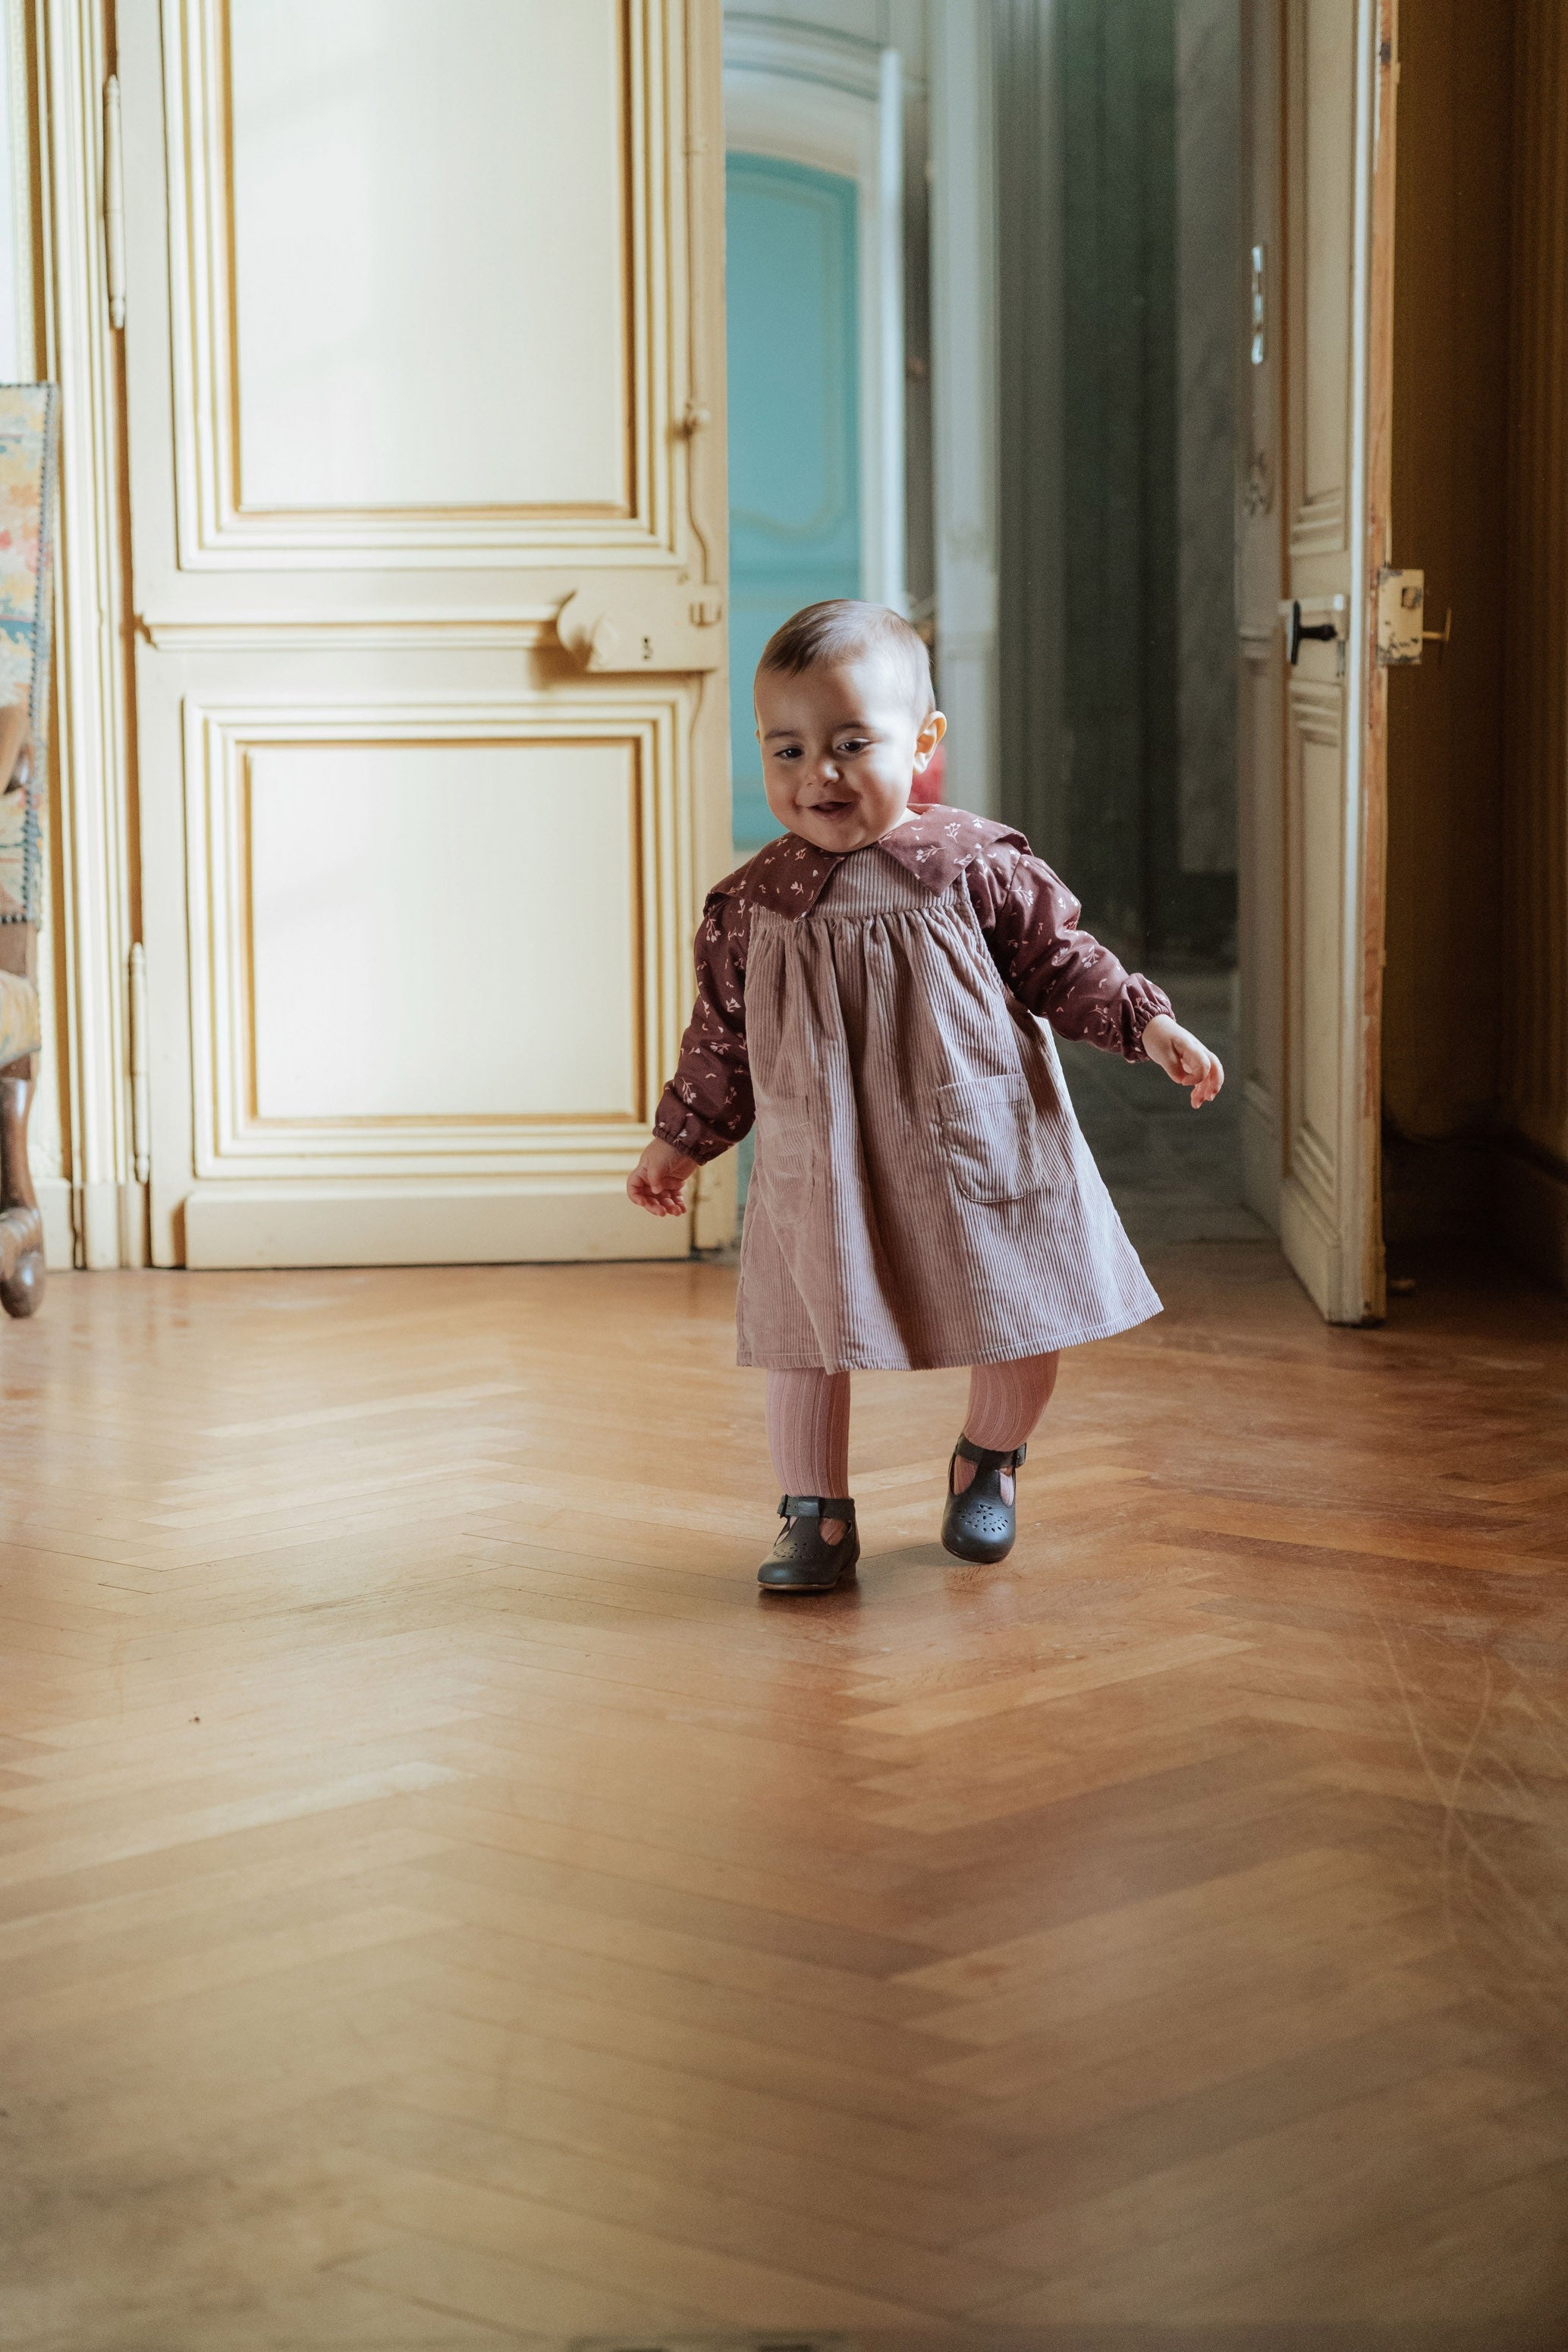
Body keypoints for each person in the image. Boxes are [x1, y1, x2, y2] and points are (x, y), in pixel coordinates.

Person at [628, 600, 1224, 1594]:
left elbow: (1061, 963)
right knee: (807, 1333)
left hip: (971, 1137)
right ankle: (815, 1514)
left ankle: (988, 1459)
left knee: (1022, 1311)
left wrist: (1146, 1023)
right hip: (820, 1158)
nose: (817, 773)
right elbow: (721, 1039)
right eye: (787, 749)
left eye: (851, 743)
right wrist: (678, 1142)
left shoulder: (975, 867)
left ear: (924, 743)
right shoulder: (753, 905)